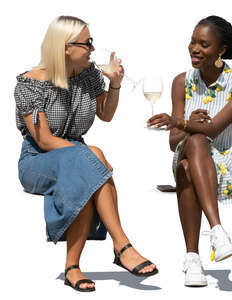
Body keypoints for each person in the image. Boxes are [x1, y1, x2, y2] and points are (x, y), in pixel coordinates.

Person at [15, 16, 158, 293]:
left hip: (75, 154)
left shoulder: (89, 75)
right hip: (37, 159)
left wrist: (115, 85)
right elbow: (44, 140)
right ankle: (122, 246)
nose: (92, 49)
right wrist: (87, 157)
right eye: (87, 43)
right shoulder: (29, 84)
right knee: (91, 158)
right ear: (66, 47)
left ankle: (72, 268)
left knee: (87, 169)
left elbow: (105, 114)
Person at [147, 15, 232, 287]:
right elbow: (174, 142)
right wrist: (187, 126)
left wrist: (181, 123)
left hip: (227, 164)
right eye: (193, 41)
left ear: (221, 51)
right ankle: (217, 232)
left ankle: (192, 258)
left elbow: (215, 129)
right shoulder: (181, 82)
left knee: (188, 160)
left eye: (204, 44)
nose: (194, 48)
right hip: (192, 155)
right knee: (193, 144)